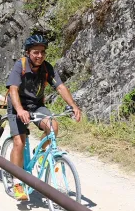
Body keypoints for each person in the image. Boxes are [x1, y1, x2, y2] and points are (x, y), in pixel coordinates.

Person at [6, 34, 82, 201]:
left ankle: (40, 153)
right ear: (28, 53)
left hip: (36, 105)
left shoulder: (47, 68)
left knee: (53, 126)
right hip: (17, 106)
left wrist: (74, 106)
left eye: (42, 52)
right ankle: (16, 181)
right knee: (19, 142)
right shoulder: (20, 65)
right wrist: (20, 110)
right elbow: (13, 89)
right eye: (36, 52)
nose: (39, 55)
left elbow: (60, 87)